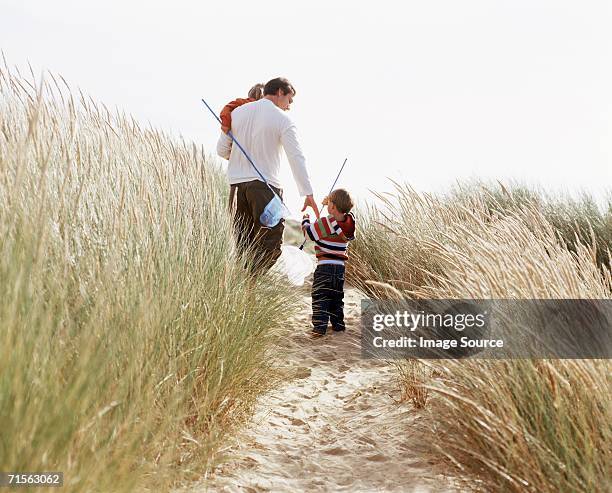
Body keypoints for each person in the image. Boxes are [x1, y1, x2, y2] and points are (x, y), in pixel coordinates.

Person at [216, 77, 320, 273]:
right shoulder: (282, 120)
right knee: (270, 243)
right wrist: (308, 193)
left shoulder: (236, 113)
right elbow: (296, 157)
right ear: (280, 92)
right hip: (266, 188)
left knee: (243, 243)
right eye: (289, 100)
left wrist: (239, 158)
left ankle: (245, 285)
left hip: (236, 187)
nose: (289, 106)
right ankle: (251, 280)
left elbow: (222, 150)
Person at [301, 189, 356, 336]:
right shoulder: (349, 224)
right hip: (340, 269)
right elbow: (340, 217)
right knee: (336, 297)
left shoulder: (327, 222)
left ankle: (319, 328)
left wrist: (305, 220)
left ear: (332, 207)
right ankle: (338, 325)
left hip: (324, 267)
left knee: (320, 296)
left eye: (330, 203)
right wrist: (331, 204)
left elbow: (309, 234)